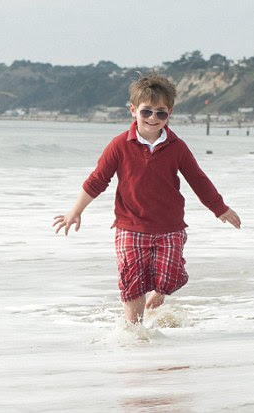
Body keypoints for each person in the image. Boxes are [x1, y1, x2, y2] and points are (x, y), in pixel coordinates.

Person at [53, 72, 241, 324]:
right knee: (132, 280)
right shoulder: (119, 145)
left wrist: (220, 208)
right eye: (146, 112)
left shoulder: (177, 147)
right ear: (133, 110)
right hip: (130, 225)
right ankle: (135, 332)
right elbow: (97, 180)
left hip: (170, 226)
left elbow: (198, 179)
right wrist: (75, 211)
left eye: (160, 113)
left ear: (169, 113)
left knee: (169, 277)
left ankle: (160, 292)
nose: (153, 118)